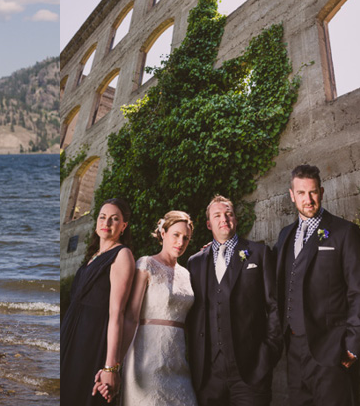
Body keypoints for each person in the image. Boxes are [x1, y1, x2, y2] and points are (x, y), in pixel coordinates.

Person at [274, 164, 360, 406]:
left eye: (313, 192)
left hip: (332, 349)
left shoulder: (345, 232)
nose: (308, 199)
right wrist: (218, 249)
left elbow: (357, 291)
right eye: (301, 193)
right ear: (292, 195)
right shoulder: (285, 235)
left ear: (321, 192)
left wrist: (353, 344)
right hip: (294, 350)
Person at [186, 195, 282, 406]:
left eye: (229, 214)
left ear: (236, 219)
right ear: (209, 224)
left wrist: (268, 354)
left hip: (251, 372)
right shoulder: (195, 262)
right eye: (217, 215)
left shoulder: (259, 253)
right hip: (208, 376)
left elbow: (274, 306)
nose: (224, 219)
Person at [59, 198, 135, 405]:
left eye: (114, 219)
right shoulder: (93, 256)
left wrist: (111, 367)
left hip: (91, 341)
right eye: (103, 217)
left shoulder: (122, 255)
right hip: (71, 335)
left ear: (123, 226)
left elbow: (117, 314)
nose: (107, 223)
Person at [119, 210, 198, 406]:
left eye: (186, 238)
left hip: (178, 361)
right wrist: (115, 364)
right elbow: (131, 316)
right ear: (163, 233)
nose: (180, 242)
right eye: (176, 235)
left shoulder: (187, 274)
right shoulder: (146, 264)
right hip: (146, 361)